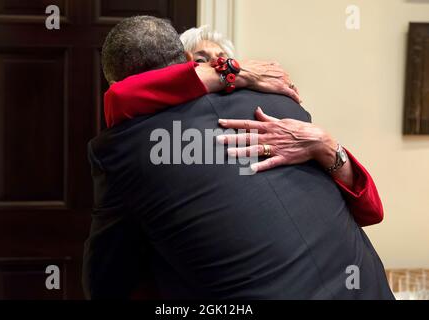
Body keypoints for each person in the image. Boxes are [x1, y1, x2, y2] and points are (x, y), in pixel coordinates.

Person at [83, 16, 394, 299]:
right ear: (190, 64)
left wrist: (328, 145)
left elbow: (107, 284)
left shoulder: (125, 148)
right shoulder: (278, 99)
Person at [103, 25, 383, 228]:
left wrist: (325, 145)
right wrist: (236, 72)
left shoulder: (272, 112)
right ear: (184, 68)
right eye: (203, 63)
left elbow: (370, 211)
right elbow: (122, 96)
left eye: (225, 59)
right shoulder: (164, 134)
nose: (219, 67)